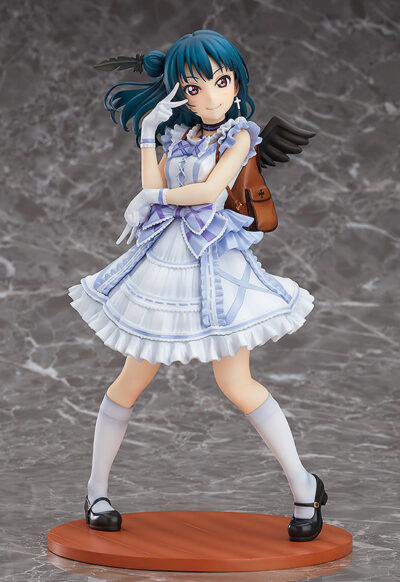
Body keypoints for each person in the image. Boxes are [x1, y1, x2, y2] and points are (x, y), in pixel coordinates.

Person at [68, 30, 328, 541]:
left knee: (236, 383)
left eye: (221, 81)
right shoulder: (180, 136)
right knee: (131, 379)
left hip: (215, 261)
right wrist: (149, 135)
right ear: (180, 93)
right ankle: (96, 490)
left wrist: (155, 198)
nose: (210, 97)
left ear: (237, 83)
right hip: (165, 262)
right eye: (193, 88)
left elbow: (209, 192)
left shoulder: (240, 136)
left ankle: (304, 485)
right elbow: (153, 186)